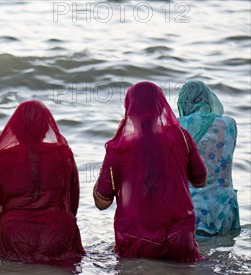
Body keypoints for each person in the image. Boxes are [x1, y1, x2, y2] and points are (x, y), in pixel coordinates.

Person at [93, 82, 207, 262]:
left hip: (135, 242)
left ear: (129, 108)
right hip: (178, 239)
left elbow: (102, 202)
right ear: (161, 106)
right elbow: (200, 180)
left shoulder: (118, 147)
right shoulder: (181, 137)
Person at [0, 100, 85, 264]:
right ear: (46, 128)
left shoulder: (0, 158)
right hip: (59, 232)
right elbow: (73, 203)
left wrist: (8, 227)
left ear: (14, 129)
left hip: (16, 236)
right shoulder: (63, 154)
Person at [177, 80, 240, 235]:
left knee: (195, 256)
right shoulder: (229, 124)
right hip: (225, 207)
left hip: (191, 208)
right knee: (222, 256)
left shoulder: (176, 127)